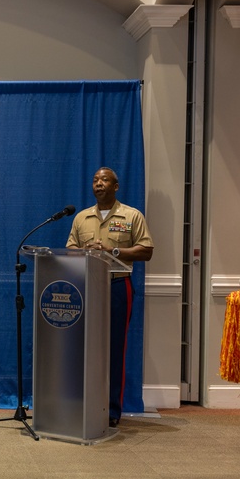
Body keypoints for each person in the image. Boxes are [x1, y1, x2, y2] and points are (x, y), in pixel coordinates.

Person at [65, 166, 153, 428]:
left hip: (117, 286)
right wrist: (85, 250)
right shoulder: (81, 218)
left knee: (115, 348)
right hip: (86, 287)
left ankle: (112, 409)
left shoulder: (131, 216)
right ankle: (81, 404)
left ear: (116, 186)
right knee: (83, 346)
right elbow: (69, 250)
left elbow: (146, 250)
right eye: (95, 180)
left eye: (105, 180)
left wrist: (112, 250)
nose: (98, 183)